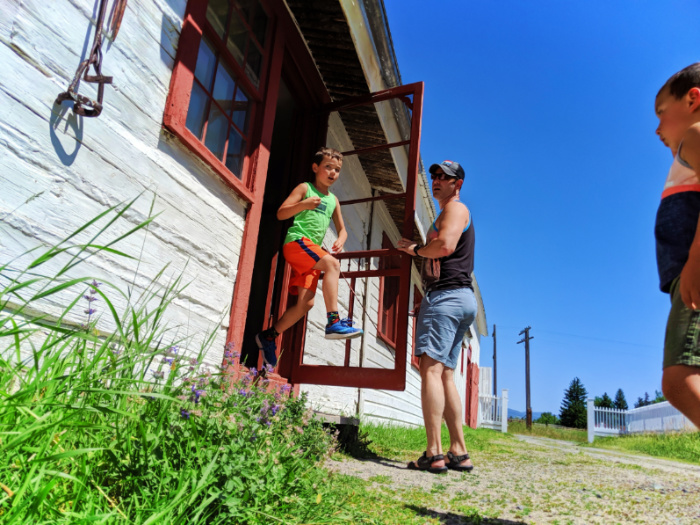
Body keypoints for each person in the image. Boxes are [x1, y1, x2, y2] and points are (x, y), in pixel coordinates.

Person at [397, 159, 477, 473]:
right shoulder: (446, 212)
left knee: (429, 369)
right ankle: (459, 451)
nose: (437, 180)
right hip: (457, 299)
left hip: (447, 297)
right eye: (434, 176)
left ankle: (434, 453)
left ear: (458, 183)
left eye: (445, 177)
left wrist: (415, 250)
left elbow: (444, 246)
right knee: (444, 374)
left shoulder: (456, 210)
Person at [255, 147, 362, 368]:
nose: (333, 172)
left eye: (337, 170)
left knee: (306, 304)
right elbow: (281, 213)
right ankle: (334, 321)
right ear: (315, 168)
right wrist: (303, 204)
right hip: (297, 243)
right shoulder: (306, 188)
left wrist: (341, 238)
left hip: (311, 251)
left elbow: (343, 229)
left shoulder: (333, 200)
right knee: (332, 264)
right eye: (328, 167)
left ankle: (267, 337)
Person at [654, 62, 700, 429]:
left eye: (661, 113)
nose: (657, 129)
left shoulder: (695, 136)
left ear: (693, 99)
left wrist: (695, 260)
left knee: (680, 380)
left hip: (694, 277)